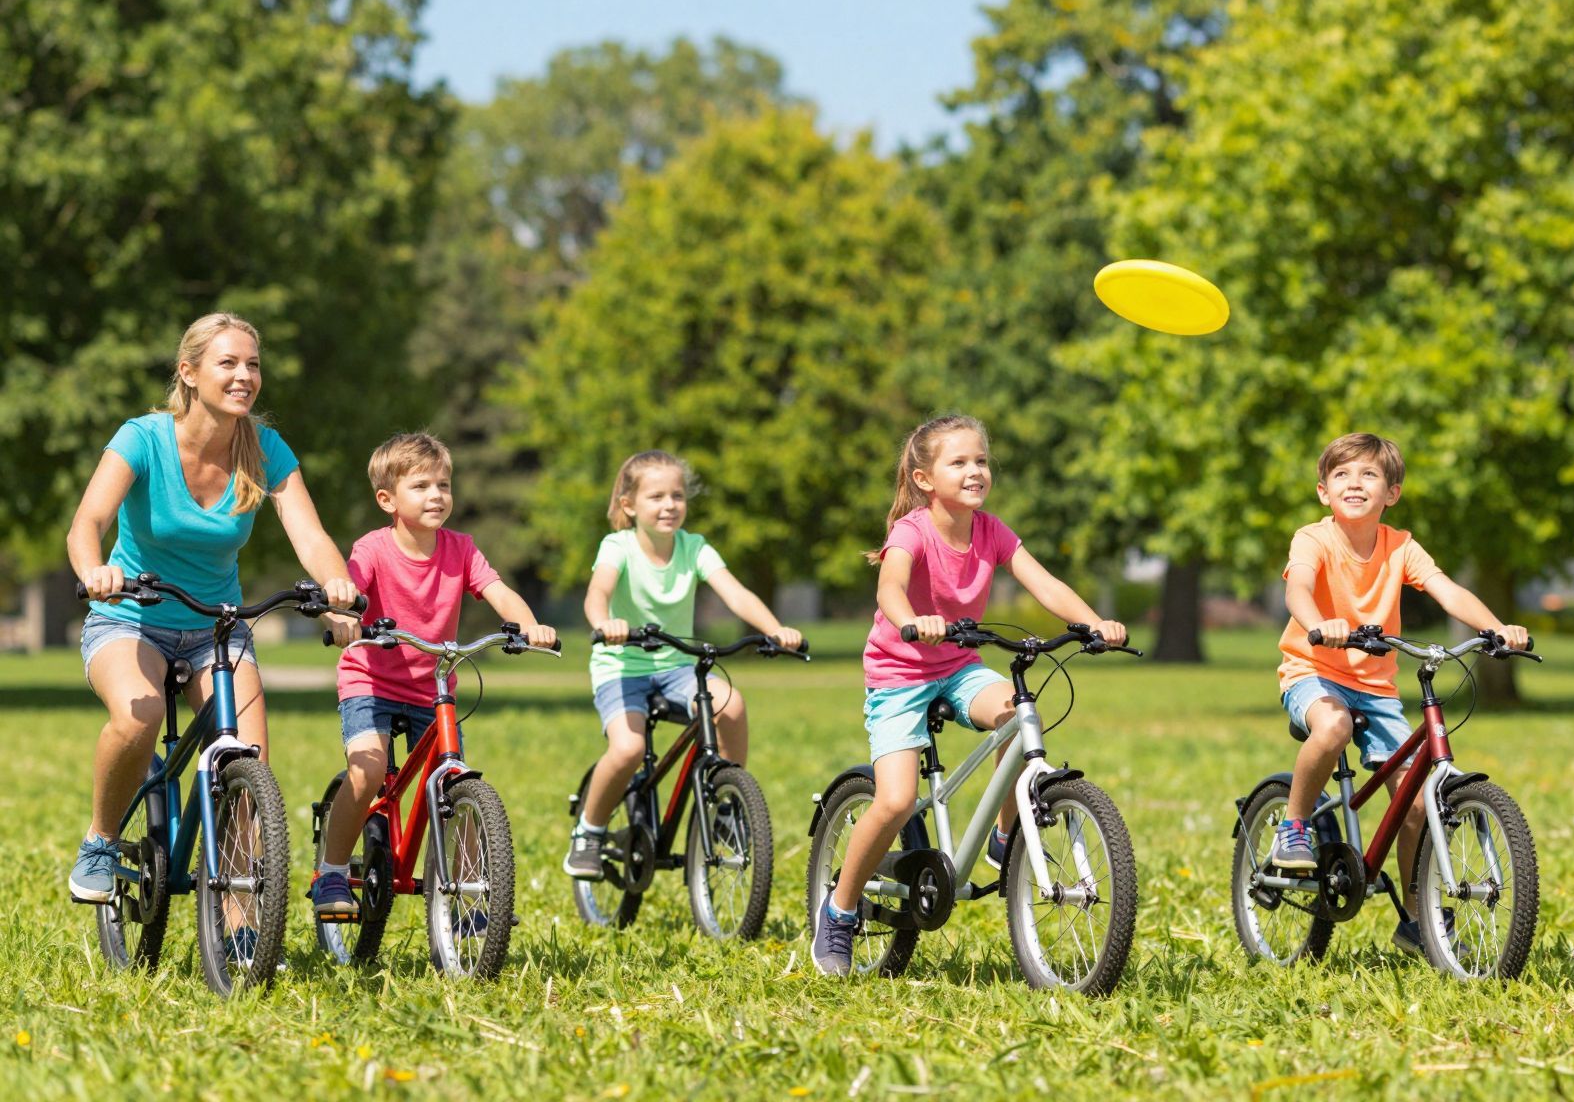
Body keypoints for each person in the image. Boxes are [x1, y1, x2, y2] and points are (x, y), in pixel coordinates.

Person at [810, 414, 1126, 976]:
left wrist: (1094, 621)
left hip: (958, 664)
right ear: (925, 478)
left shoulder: (991, 531)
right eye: (959, 462)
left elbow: (1044, 582)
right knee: (895, 800)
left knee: (1016, 711)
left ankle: (1006, 838)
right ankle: (837, 911)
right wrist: (913, 620)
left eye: (981, 460)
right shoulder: (912, 530)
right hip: (899, 671)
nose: (975, 470)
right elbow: (890, 586)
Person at [66, 312, 359, 902]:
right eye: (228, 363)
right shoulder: (143, 437)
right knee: (139, 716)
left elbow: (310, 536)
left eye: (252, 364)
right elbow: (87, 523)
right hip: (132, 617)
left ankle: (243, 931)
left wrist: (337, 590)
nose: (244, 376)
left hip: (216, 630)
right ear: (190, 372)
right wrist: (95, 571)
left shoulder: (265, 449)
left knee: (249, 773)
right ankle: (100, 841)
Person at [1269, 432, 1530, 955]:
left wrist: (1498, 627)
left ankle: (1416, 919)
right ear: (1324, 492)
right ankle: (1293, 825)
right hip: (1312, 669)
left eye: (1369, 474)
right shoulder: (1312, 539)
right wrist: (1322, 624)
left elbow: (1446, 589)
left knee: (1414, 802)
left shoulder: (1400, 546)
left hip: (1376, 685)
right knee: (1334, 727)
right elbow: (1297, 587)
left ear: (1392, 492)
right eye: (1342, 475)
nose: (1355, 483)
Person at [309, 432, 556, 919]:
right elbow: (343, 594)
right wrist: (340, 621)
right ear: (388, 500)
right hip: (370, 681)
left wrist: (528, 625)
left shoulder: (461, 549)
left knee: (454, 784)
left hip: (432, 687)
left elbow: (498, 590)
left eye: (443, 485)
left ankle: (467, 891)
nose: (437, 495)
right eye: (421, 486)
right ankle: (332, 870)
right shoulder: (373, 548)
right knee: (369, 769)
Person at [562, 450, 803, 879]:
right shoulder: (617, 546)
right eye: (656, 496)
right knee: (628, 749)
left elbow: (736, 594)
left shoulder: (694, 548)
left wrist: (774, 629)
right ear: (629, 506)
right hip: (621, 665)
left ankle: (727, 804)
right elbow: (597, 593)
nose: (669, 505)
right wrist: (605, 623)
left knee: (731, 705)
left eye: (677, 495)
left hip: (678, 666)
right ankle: (590, 830)